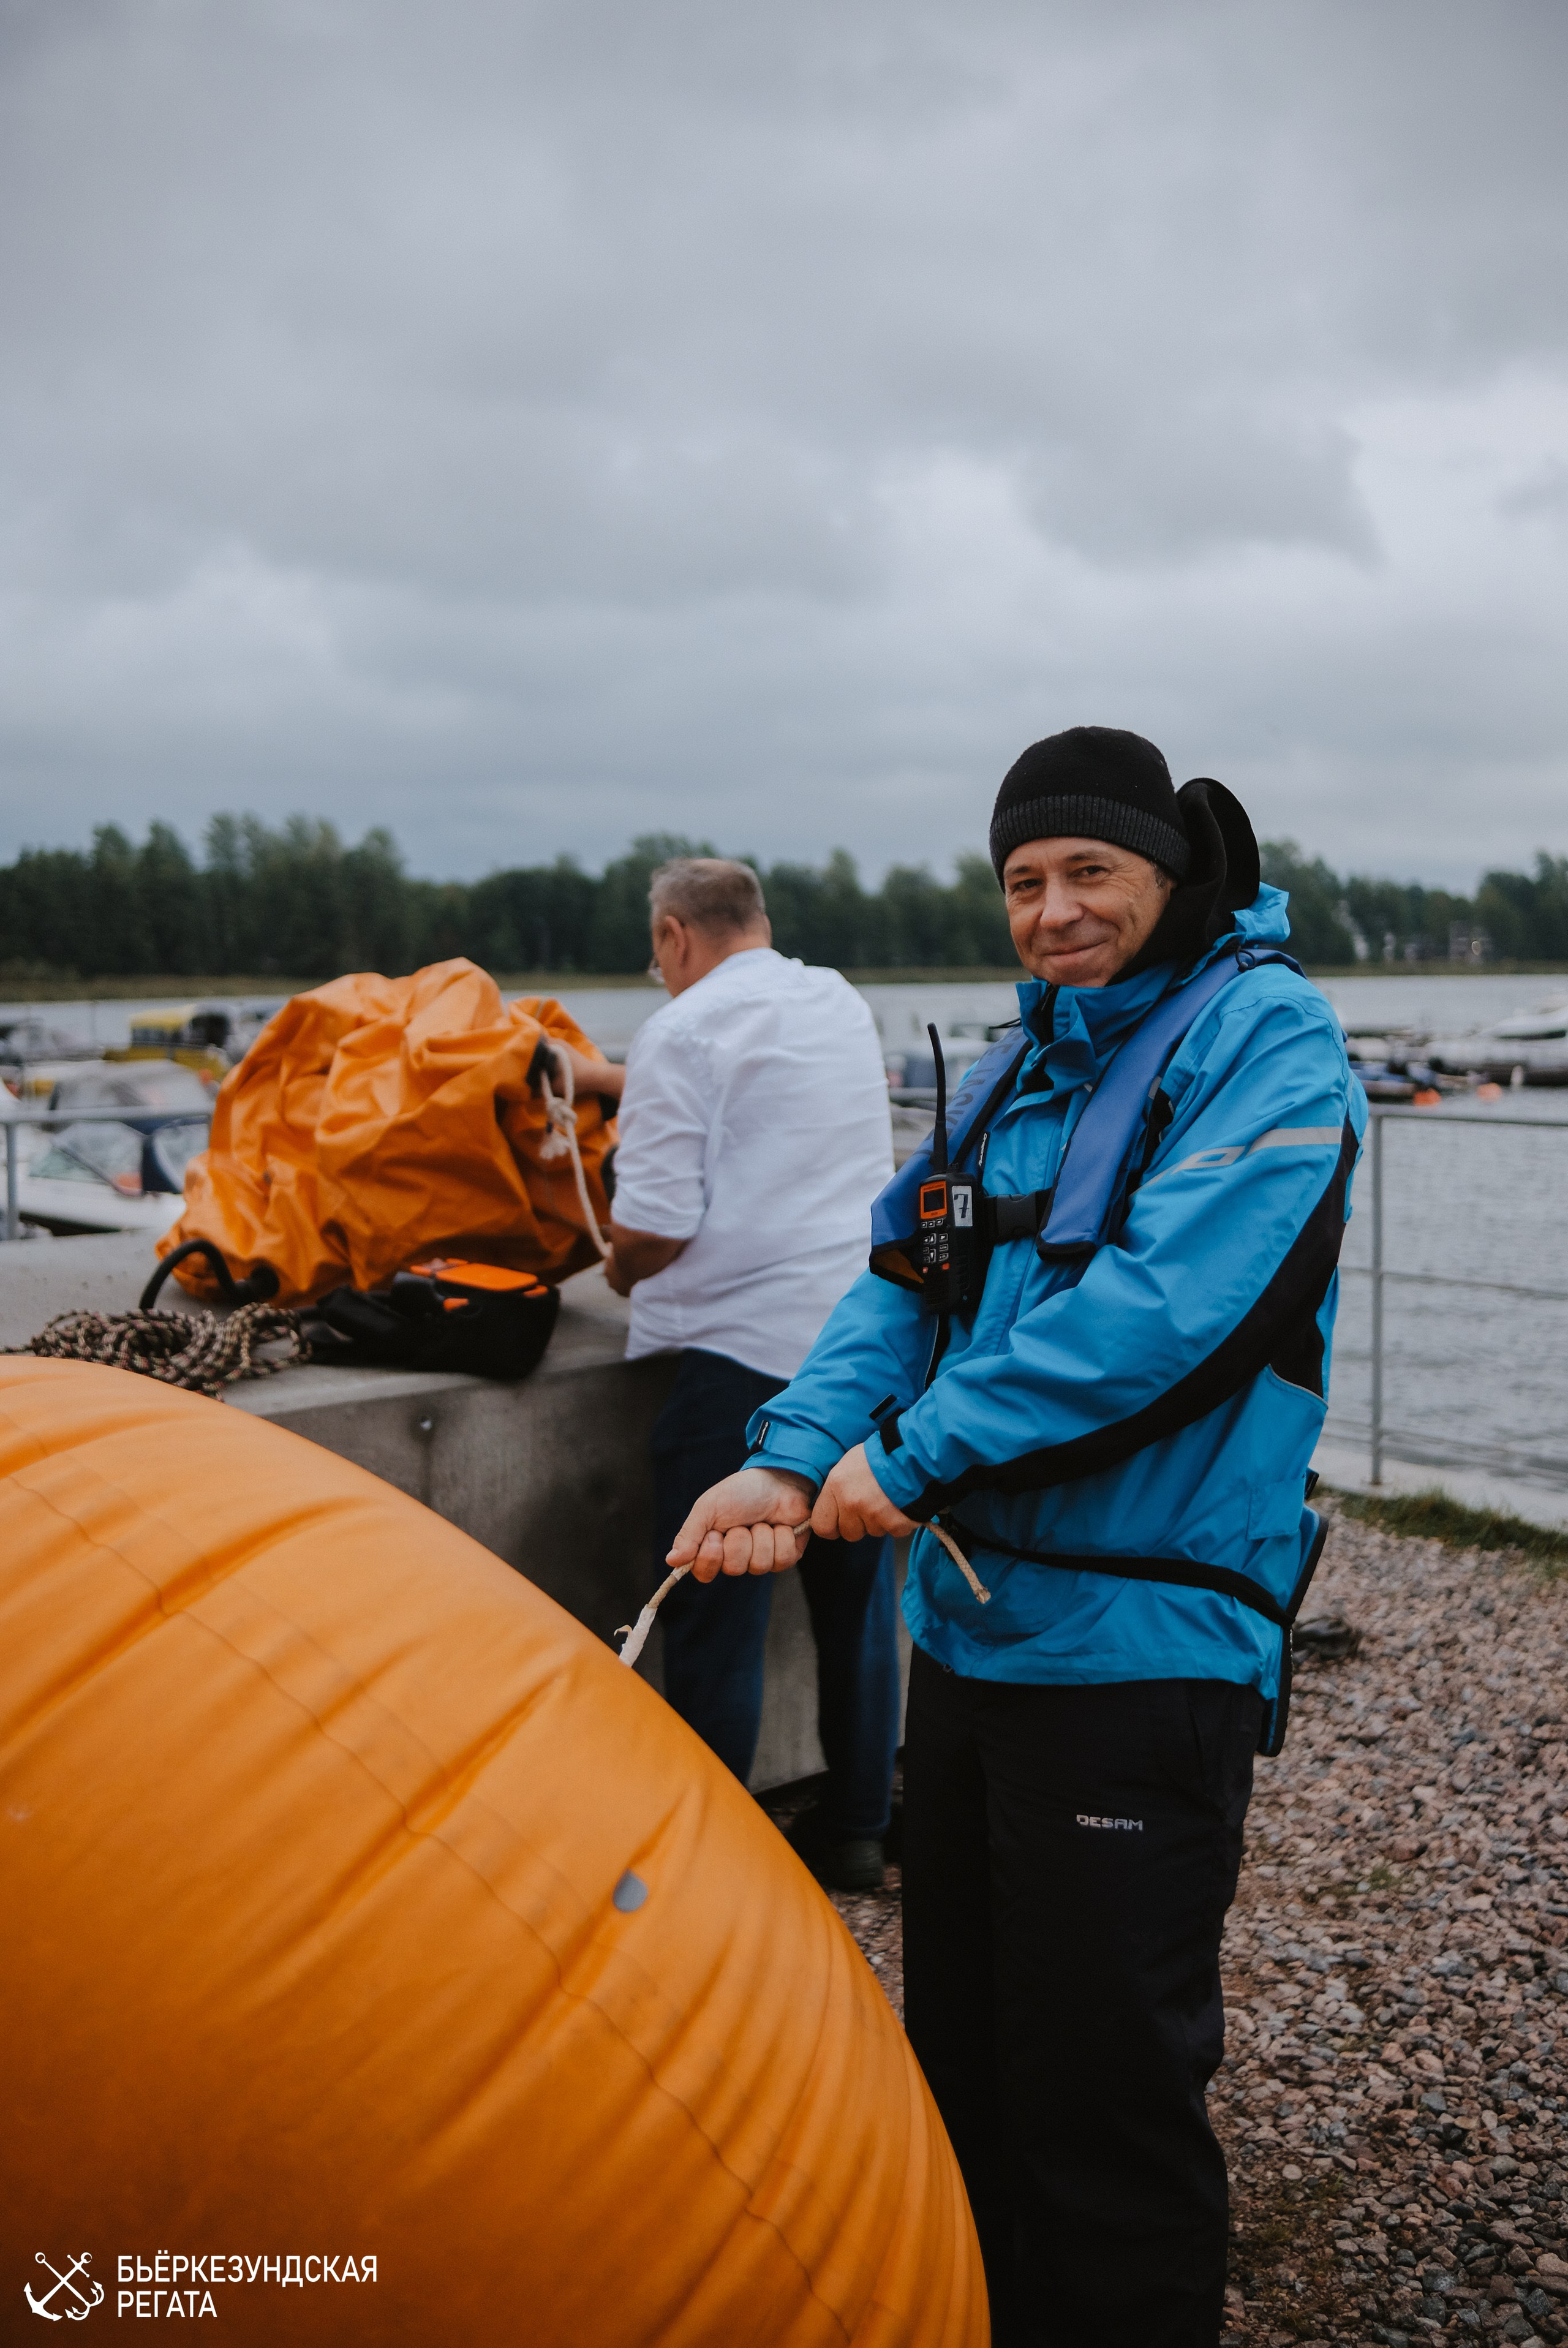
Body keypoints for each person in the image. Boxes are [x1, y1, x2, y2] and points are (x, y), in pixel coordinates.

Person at [663, 730, 1363, 2348]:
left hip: (1136, 1662)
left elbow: (1172, 1318)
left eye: (1090, 873)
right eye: (1023, 883)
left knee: (1103, 2103)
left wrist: (906, 1459)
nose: (1052, 912)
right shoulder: (1028, 1062)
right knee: (965, 2068)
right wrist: (786, 1456)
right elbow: (903, 1283)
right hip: (974, 1646)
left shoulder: (1269, 1040)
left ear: (1173, 876)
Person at [594, 854, 901, 1890]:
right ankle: (859, 1828)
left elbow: (659, 1226)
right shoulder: (836, 1000)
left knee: (716, 1613)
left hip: (744, 1361)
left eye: (657, 952)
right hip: (860, 1348)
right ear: (757, 921)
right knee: (858, 1609)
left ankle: (718, 1867)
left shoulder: (679, 1029)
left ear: (675, 935)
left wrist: (608, 1257)